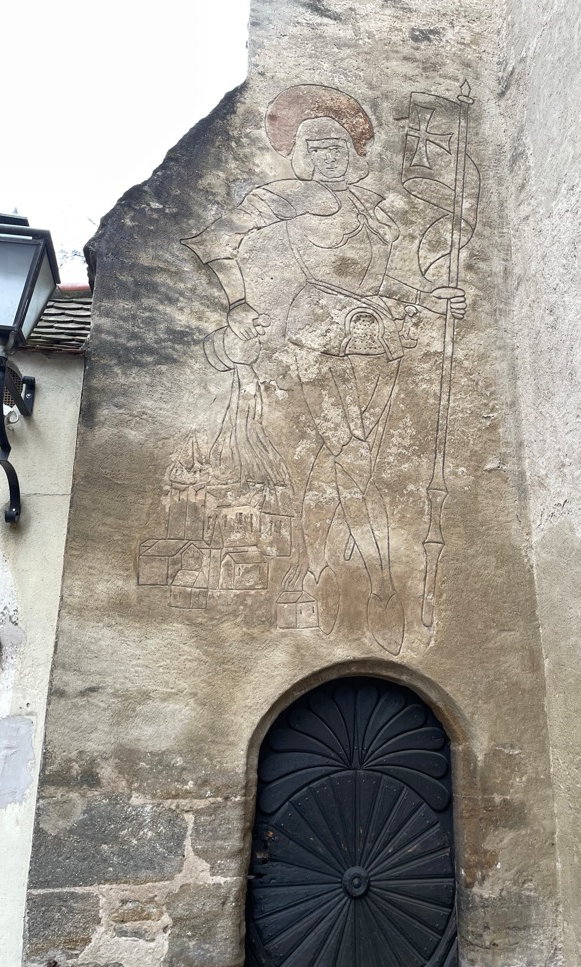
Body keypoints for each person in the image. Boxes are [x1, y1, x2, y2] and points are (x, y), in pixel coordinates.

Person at [184, 85, 465, 655]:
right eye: (316, 147)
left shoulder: (371, 207)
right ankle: (385, 589)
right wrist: (239, 303)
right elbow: (212, 242)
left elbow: (379, 281)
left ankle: (309, 577)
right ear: (296, 153)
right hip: (313, 340)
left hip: (377, 342)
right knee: (354, 462)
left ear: (354, 152)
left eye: (339, 147)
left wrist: (433, 296)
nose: (329, 158)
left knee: (331, 470)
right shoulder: (280, 199)